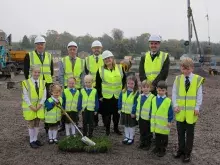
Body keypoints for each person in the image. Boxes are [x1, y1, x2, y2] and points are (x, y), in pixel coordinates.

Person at [172, 57, 204, 163]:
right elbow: (174, 93)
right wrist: (175, 105)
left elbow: (199, 95)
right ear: (181, 68)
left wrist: (197, 107)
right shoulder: (178, 79)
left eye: (187, 69)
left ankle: (187, 153)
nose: (185, 71)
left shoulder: (197, 79)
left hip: (191, 113)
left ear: (192, 68)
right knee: (180, 133)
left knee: (190, 135)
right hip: (180, 112)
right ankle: (180, 150)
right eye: (183, 69)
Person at [23, 36, 53, 134]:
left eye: (42, 44)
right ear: (35, 45)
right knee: (37, 106)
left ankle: (48, 128)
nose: (40, 46)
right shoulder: (29, 55)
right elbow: (26, 71)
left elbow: (51, 70)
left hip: (47, 84)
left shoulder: (49, 56)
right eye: (38, 44)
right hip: (35, 85)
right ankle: (34, 131)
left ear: (44, 45)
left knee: (48, 106)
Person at [96, 50, 126, 136]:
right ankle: (107, 130)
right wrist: (100, 96)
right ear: (103, 60)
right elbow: (98, 84)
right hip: (106, 96)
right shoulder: (100, 70)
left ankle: (116, 128)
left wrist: (123, 90)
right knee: (107, 115)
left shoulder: (120, 68)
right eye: (105, 59)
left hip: (117, 95)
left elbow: (124, 80)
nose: (107, 60)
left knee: (116, 114)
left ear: (112, 58)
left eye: (109, 58)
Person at [58, 41, 84, 131]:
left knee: (75, 106)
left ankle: (75, 122)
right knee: (64, 105)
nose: (72, 51)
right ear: (68, 50)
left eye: (74, 49)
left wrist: (82, 87)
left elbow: (83, 75)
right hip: (66, 87)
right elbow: (60, 74)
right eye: (70, 49)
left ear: (76, 50)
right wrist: (62, 86)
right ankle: (63, 124)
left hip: (77, 88)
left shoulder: (81, 61)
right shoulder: (63, 60)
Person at [21, 65, 46, 149]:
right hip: (30, 108)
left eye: (38, 72)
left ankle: (35, 139)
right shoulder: (26, 82)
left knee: (37, 124)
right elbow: (25, 96)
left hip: (39, 107)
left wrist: (40, 105)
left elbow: (44, 96)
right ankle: (31, 140)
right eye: (35, 72)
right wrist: (31, 106)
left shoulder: (43, 82)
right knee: (31, 124)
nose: (37, 74)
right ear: (31, 72)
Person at [150, 81, 173, 157]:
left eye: (163, 90)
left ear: (166, 91)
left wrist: (170, 121)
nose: (161, 92)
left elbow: (170, 112)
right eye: (159, 90)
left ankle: (162, 149)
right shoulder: (153, 99)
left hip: (164, 124)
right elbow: (152, 109)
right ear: (156, 89)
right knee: (157, 136)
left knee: (163, 137)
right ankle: (157, 147)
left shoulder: (168, 101)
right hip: (156, 123)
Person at [85, 40, 104, 127]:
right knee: (93, 103)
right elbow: (86, 72)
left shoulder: (104, 58)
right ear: (92, 49)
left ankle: (104, 122)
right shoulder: (87, 59)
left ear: (101, 49)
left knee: (103, 103)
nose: (96, 49)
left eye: (98, 48)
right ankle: (95, 122)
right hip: (91, 85)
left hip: (102, 86)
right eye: (95, 48)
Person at [118, 75, 139, 145]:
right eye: (128, 83)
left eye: (132, 83)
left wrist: (133, 112)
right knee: (125, 125)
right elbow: (120, 100)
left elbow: (136, 104)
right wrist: (119, 108)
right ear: (126, 84)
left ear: (135, 84)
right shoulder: (123, 91)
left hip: (131, 113)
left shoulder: (136, 93)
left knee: (131, 126)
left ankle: (131, 138)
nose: (130, 85)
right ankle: (127, 137)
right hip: (124, 112)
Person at [135, 80, 155, 150]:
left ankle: (148, 144)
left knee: (148, 132)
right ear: (141, 88)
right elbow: (137, 106)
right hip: (140, 117)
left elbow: (153, 108)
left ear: (150, 88)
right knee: (142, 131)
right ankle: (142, 142)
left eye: (147, 87)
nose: (145, 89)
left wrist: (151, 117)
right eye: (144, 87)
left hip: (148, 118)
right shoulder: (140, 96)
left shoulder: (152, 97)